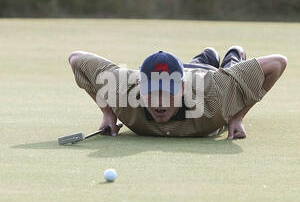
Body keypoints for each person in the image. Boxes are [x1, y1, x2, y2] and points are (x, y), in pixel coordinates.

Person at [68, 46, 287, 139]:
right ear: (141, 88)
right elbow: (76, 59)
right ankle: (206, 55)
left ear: (180, 89)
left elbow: (278, 63)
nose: (159, 102)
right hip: (186, 72)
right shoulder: (123, 89)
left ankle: (232, 54)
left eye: (168, 92)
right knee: (194, 64)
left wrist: (237, 115)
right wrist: (108, 113)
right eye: (153, 91)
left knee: (230, 71)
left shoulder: (217, 94)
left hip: (208, 76)